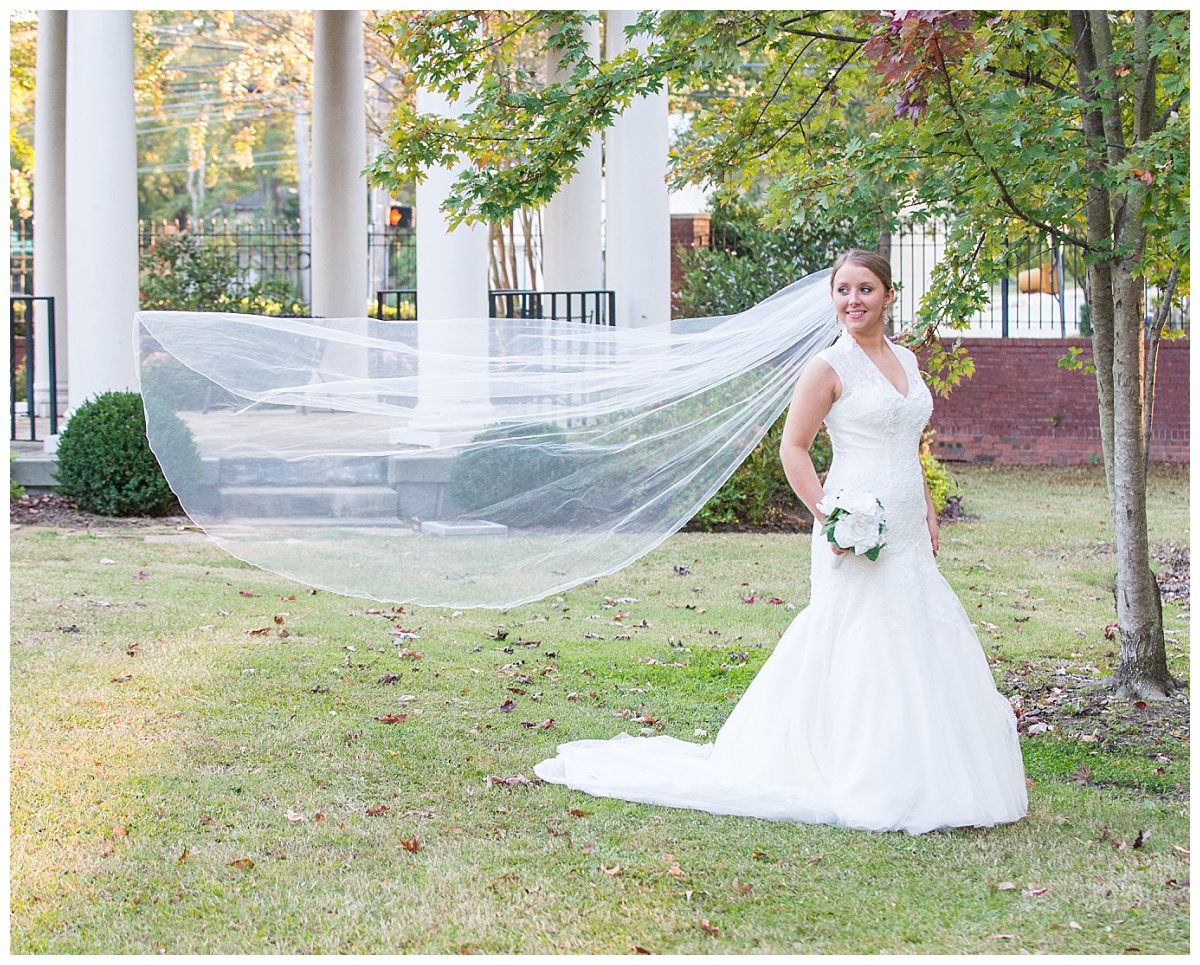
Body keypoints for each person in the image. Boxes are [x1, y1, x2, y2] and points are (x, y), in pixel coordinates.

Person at [534, 249, 1028, 834]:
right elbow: (793, 448)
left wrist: (926, 509)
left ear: (889, 296)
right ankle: (852, 768)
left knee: (921, 626)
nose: (853, 300)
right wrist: (831, 517)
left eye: (865, 289)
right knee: (857, 635)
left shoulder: (907, 359)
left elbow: (906, 442)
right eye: (843, 289)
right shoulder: (827, 367)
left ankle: (934, 771)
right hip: (854, 521)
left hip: (906, 526)